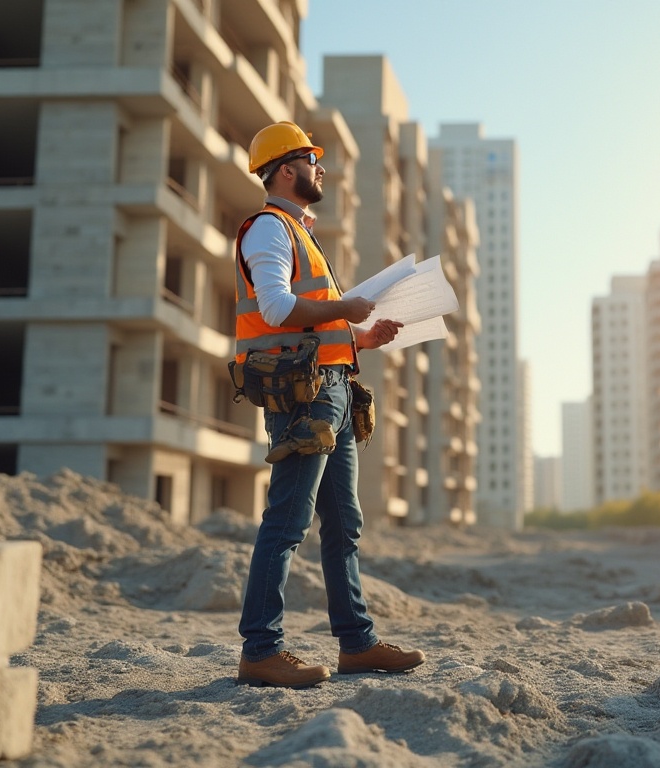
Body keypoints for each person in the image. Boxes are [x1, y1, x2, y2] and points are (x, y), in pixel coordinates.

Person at [234, 121, 425, 688]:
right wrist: (347, 308)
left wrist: (359, 337)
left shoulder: (301, 232)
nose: (322, 170)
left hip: (332, 389)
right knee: (288, 521)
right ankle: (260, 650)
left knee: (343, 525)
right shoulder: (268, 230)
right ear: (287, 169)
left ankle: (357, 644)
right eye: (313, 161)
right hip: (301, 398)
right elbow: (274, 308)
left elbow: (311, 319)